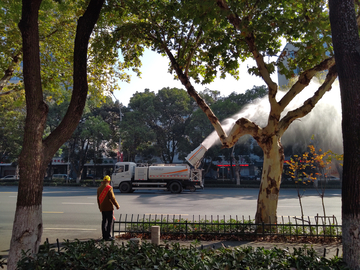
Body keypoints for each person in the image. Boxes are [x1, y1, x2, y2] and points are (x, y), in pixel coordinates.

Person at [97, 175, 120, 241]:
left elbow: (98, 199)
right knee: (110, 221)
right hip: (109, 208)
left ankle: (104, 236)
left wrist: (100, 207)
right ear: (109, 181)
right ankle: (108, 236)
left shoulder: (99, 188)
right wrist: (117, 205)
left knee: (104, 221)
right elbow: (113, 198)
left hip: (103, 208)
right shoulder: (109, 188)